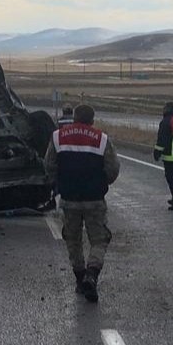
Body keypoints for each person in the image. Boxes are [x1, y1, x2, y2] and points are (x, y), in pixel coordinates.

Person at [44, 104, 120, 303]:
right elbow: (113, 169)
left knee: (73, 239)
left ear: (74, 118)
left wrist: (59, 182)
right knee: (99, 240)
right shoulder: (101, 138)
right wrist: (102, 183)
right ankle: (92, 275)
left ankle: (80, 279)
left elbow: (49, 165)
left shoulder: (58, 136)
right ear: (92, 120)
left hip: (69, 199)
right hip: (94, 199)